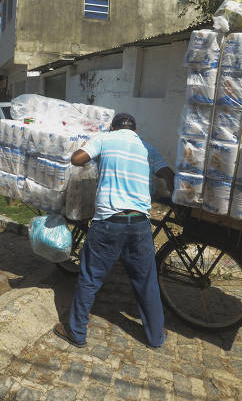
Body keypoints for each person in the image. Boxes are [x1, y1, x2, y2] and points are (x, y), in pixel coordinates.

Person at [53, 112, 174, 349]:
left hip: (108, 222)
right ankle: (155, 337)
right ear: (135, 130)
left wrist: (92, 151)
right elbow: (167, 174)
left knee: (90, 278)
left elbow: (77, 159)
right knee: (146, 282)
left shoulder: (104, 139)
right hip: (139, 224)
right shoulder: (146, 147)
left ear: (113, 128)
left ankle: (76, 333)